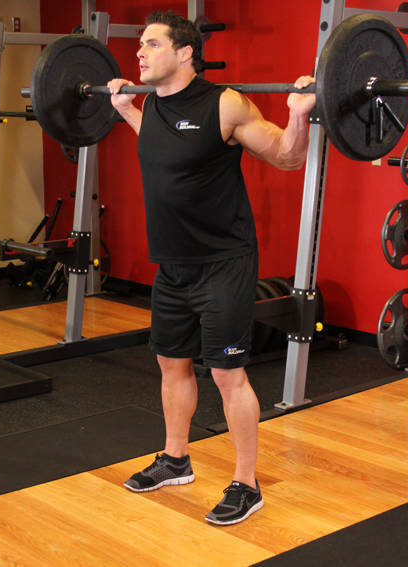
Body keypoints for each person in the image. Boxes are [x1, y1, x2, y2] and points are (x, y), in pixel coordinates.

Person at [107, 10, 315, 526]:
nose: (139, 53)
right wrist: (126, 110)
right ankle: (176, 458)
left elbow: (287, 158)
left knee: (226, 372)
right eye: (140, 45)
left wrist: (299, 115)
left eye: (152, 44)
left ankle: (247, 484)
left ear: (185, 53)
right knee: (171, 363)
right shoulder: (154, 107)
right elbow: (164, 145)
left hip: (224, 262)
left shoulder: (225, 104)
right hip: (172, 264)